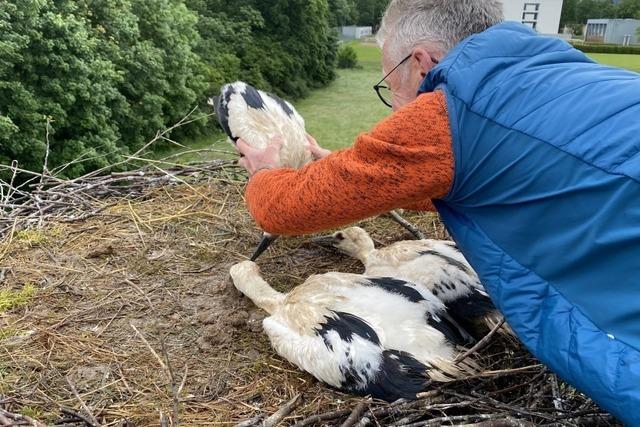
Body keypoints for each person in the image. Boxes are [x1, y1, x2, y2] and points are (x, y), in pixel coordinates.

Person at [235, 0, 640, 423]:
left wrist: (266, 171)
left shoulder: (445, 112)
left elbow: (281, 210)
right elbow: (492, 172)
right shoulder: (565, 72)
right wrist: (347, 167)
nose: (391, 104)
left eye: (389, 81)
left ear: (421, 63)